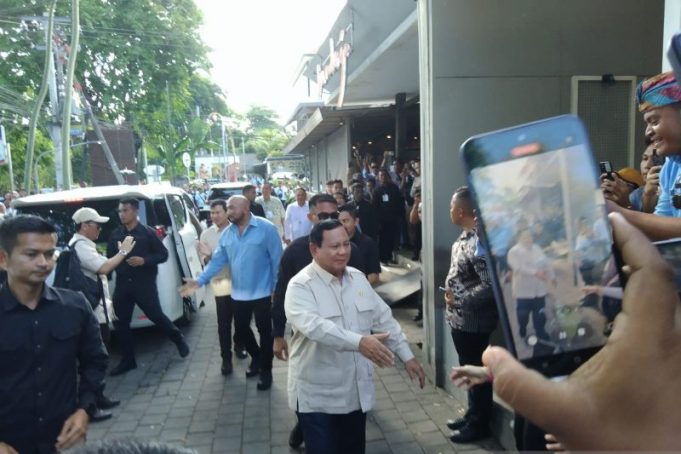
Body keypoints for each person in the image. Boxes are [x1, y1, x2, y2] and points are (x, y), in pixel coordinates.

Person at [285, 220, 426, 453]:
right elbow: (315, 327)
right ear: (314, 249)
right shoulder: (300, 286)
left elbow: (383, 318)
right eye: (334, 246)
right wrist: (359, 342)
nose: (342, 252)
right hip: (317, 398)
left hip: (354, 394)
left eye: (346, 244)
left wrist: (407, 355)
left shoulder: (357, 278)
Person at [0, 215, 108, 453]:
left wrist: (84, 410)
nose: (43, 263)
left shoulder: (75, 306)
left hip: (64, 442)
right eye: (31, 254)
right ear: (3, 259)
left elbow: (95, 361)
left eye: (49, 254)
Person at [271, 193, 370, 449]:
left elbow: (364, 297)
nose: (340, 252)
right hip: (313, 359)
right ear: (311, 217)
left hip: (348, 363)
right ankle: (303, 426)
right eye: (322, 216)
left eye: (333, 215)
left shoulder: (353, 253)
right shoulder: (295, 253)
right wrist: (278, 335)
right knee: (315, 417)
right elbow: (281, 295)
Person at [181, 196, 282, 391]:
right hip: (238, 293)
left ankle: (266, 371)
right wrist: (199, 280)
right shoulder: (227, 234)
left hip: (263, 292)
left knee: (265, 332)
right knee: (242, 331)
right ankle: (258, 357)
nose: (228, 212)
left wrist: (276, 290)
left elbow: (277, 260)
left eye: (231, 208)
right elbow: (217, 261)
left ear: (245, 207)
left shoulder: (266, 228)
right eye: (227, 208)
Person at [106, 198, 190, 376]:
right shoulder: (115, 235)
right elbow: (109, 260)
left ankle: (178, 338)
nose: (122, 214)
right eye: (120, 211)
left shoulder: (147, 233)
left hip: (144, 284)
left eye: (125, 210)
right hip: (123, 285)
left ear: (136, 211)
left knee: (156, 316)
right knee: (121, 323)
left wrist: (144, 261)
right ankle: (128, 360)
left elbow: (163, 254)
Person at [69, 207, 136, 422]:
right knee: (94, 359)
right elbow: (105, 268)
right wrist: (123, 252)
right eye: (96, 225)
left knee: (98, 356)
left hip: (95, 310)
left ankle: (98, 396)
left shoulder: (82, 244)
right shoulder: (81, 246)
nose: (99, 229)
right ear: (85, 226)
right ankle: (89, 405)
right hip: (92, 312)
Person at [443, 187, 498, 443]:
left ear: (462, 210)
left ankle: (480, 424)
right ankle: (472, 413)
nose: (450, 211)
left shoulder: (479, 240)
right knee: (469, 368)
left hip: (474, 321)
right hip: (460, 319)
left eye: (452, 207)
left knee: (477, 372)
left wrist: (461, 299)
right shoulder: (466, 236)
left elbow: (490, 284)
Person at [197, 200, 246, 376]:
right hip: (221, 282)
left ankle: (239, 344)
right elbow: (206, 262)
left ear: (227, 213)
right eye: (212, 213)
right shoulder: (206, 235)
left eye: (218, 212)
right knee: (223, 323)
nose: (214, 216)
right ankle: (226, 358)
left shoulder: (238, 231)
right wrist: (210, 258)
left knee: (242, 320)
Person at [507, 230, 554, 343]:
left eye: (529, 236)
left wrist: (552, 276)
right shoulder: (514, 252)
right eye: (525, 237)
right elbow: (518, 267)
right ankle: (522, 327)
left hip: (539, 288)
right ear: (519, 238)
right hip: (523, 290)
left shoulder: (537, 248)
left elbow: (546, 262)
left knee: (540, 312)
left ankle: (540, 331)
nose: (528, 239)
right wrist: (536, 273)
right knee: (523, 314)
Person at [338, 205, 380, 284]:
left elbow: (374, 276)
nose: (342, 225)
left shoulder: (368, 243)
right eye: (339, 222)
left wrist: (354, 287)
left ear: (356, 221)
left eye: (345, 221)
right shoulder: (332, 243)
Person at [372, 169, 404, 264]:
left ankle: (389, 257)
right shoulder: (377, 190)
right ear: (378, 177)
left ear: (388, 176)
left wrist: (399, 216)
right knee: (383, 239)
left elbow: (399, 202)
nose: (383, 177)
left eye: (385, 175)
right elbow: (375, 206)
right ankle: (383, 258)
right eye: (381, 175)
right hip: (382, 220)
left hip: (393, 219)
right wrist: (377, 221)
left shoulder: (394, 188)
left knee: (391, 239)